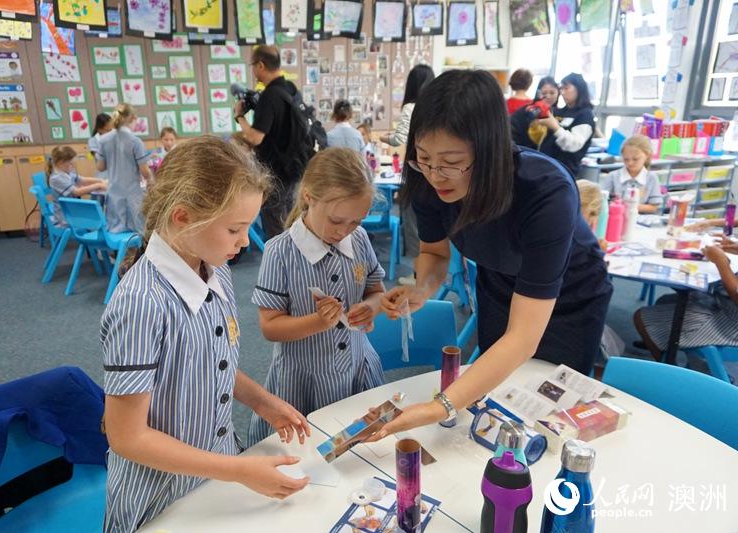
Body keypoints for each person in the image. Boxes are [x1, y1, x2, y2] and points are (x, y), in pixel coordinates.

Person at [367, 70, 612, 441]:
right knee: (497, 400)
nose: (436, 175)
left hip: (570, 293)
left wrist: (441, 406)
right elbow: (434, 252)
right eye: (424, 158)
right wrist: (423, 288)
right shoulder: (429, 180)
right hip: (498, 278)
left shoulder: (546, 191)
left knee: (550, 407)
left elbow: (524, 337)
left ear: (490, 150)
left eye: (451, 161)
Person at [101, 136, 311, 532]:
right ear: (183, 217)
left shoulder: (216, 268)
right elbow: (126, 436)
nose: (245, 241)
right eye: (235, 228)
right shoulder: (142, 304)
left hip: (213, 476)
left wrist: (262, 401)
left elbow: (209, 363)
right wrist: (237, 469)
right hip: (159, 497)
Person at [246, 147, 386, 446]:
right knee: (309, 454)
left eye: (355, 222)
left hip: (357, 370)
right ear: (309, 197)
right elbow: (270, 326)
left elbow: (376, 290)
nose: (344, 231)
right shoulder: (280, 252)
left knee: (362, 448)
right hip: (302, 381)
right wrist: (317, 322)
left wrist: (371, 308)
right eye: (337, 220)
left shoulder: (358, 239)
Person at [234, 45, 309, 239]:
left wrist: (239, 116)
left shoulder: (270, 96)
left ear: (260, 65)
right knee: (293, 220)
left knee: (275, 226)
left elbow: (254, 137)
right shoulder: (291, 89)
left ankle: (280, 265)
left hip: (275, 173)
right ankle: (297, 262)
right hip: (295, 169)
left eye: (252, 65)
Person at [634, 243, 738, 363]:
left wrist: (721, 261)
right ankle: (657, 341)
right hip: (725, 307)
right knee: (665, 301)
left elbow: (735, 294)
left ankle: (669, 368)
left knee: (640, 317)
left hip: (728, 326)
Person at [380, 64, 435, 265]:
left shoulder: (411, 107)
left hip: (416, 169)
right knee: (433, 221)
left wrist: (385, 139)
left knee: (412, 217)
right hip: (437, 170)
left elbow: (399, 139)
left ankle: (416, 274)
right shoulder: (438, 107)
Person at [96, 103, 153, 233]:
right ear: (133, 118)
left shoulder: (103, 139)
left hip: (113, 194)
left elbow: (100, 167)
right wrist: (151, 180)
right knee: (137, 231)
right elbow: (144, 171)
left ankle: (119, 253)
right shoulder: (135, 141)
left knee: (116, 230)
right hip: (132, 194)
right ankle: (135, 253)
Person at [535, 73, 595, 176]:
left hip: (564, 172)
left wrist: (555, 127)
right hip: (545, 167)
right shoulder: (560, 111)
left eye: (566, 88)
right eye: (561, 89)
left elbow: (574, 144)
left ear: (579, 88)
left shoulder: (585, 115)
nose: (562, 93)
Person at [599, 134, 663, 213]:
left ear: (647, 155)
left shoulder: (652, 178)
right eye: (626, 159)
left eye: (635, 159)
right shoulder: (612, 177)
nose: (630, 163)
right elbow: (600, 201)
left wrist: (631, 207)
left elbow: (654, 207)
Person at [47, 146, 107, 226]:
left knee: (97, 211)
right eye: (70, 163)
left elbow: (82, 180)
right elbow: (77, 192)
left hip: (71, 210)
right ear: (60, 163)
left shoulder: (65, 172)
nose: (73, 165)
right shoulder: (57, 178)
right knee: (97, 214)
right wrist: (99, 185)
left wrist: (101, 181)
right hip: (65, 217)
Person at [510, 76, 560, 149]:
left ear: (558, 93)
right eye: (544, 93)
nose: (548, 96)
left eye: (552, 93)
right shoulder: (528, 110)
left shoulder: (559, 113)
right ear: (538, 93)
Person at [88, 113, 113, 179]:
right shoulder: (93, 140)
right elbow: (98, 157)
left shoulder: (113, 135)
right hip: (103, 173)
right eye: (110, 122)